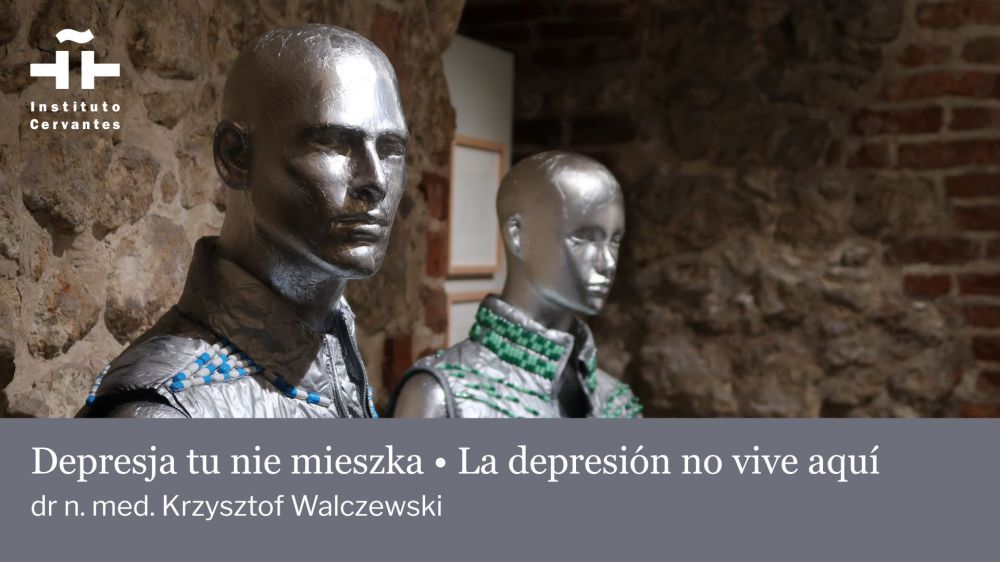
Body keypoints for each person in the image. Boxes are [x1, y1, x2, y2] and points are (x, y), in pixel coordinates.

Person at [80, 25, 408, 418]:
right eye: (332, 143)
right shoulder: (161, 417)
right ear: (235, 157)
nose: (375, 181)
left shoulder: (331, 357)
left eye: (391, 149)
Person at [392, 151, 642, 418]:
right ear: (517, 235)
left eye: (614, 240)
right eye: (583, 237)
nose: (607, 262)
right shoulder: (440, 397)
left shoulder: (617, 404)